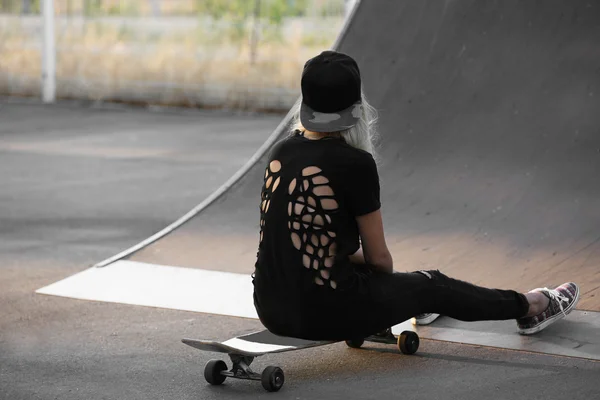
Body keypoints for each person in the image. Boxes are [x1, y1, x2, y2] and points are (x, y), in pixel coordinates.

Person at [252, 50, 579, 341]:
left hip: (270, 309)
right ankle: (532, 304)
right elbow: (380, 261)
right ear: (355, 108)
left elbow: (295, 239)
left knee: (408, 285)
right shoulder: (355, 163)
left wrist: (401, 289)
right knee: (432, 284)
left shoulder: (281, 151)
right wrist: (409, 290)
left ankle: (417, 298)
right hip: (329, 315)